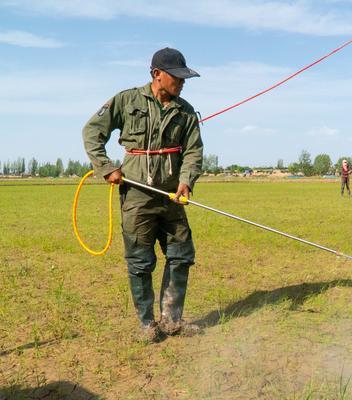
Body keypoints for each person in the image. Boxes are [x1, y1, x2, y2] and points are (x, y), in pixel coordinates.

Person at [82, 48, 203, 342]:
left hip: (172, 196)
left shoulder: (186, 111)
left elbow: (194, 152)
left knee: (181, 255)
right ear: (156, 75)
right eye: (177, 77)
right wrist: (106, 168)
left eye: (184, 78)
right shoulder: (126, 100)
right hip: (136, 194)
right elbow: (92, 133)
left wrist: (186, 182)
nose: (182, 83)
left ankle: (172, 320)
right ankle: (148, 324)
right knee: (140, 261)